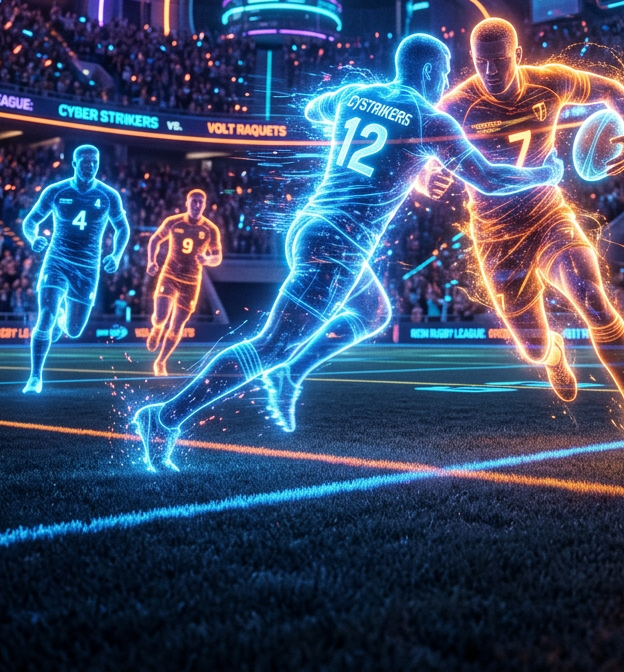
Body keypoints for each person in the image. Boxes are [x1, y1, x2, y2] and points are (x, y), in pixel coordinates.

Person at [132, 33, 563, 470]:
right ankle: (166, 417)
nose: (448, 80)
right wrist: (545, 172)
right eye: (447, 70)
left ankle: (292, 371)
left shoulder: (356, 95)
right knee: (271, 345)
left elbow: (313, 110)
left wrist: (358, 129)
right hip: (341, 243)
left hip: (312, 226)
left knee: (374, 313)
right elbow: (488, 179)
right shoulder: (430, 121)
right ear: (431, 72)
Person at [427, 17, 624, 452]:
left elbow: (610, 90)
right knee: (534, 348)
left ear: (518, 56)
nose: (490, 72)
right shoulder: (454, 106)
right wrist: (426, 179)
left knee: (592, 296)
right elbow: (418, 156)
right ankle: (554, 354)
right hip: (496, 240)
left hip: (548, 217)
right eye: (481, 63)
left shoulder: (550, 83)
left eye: (499, 62)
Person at [21, 144, 130, 394]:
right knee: (45, 315)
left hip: (88, 269)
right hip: (57, 260)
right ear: (75, 163)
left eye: (95, 162)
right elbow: (31, 221)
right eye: (85, 161)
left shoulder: (108, 195)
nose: (90, 166)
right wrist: (33, 238)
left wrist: (116, 253)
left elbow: (122, 227)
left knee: (73, 330)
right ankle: (35, 378)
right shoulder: (56, 191)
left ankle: (63, 318)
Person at [146, 189, 223, 377]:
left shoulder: (210, 229)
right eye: (194, 201)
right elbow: (155, 239)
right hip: (170, 276)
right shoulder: (173, 222)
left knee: (177, 325)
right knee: (161, 317)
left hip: (191, 283)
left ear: (204, 206)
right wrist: (151, 261)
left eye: (200, 202)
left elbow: (218, 256)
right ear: (186, 203)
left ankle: (161, 362)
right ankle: (156, 328)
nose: (197, 205)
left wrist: (207, 260)